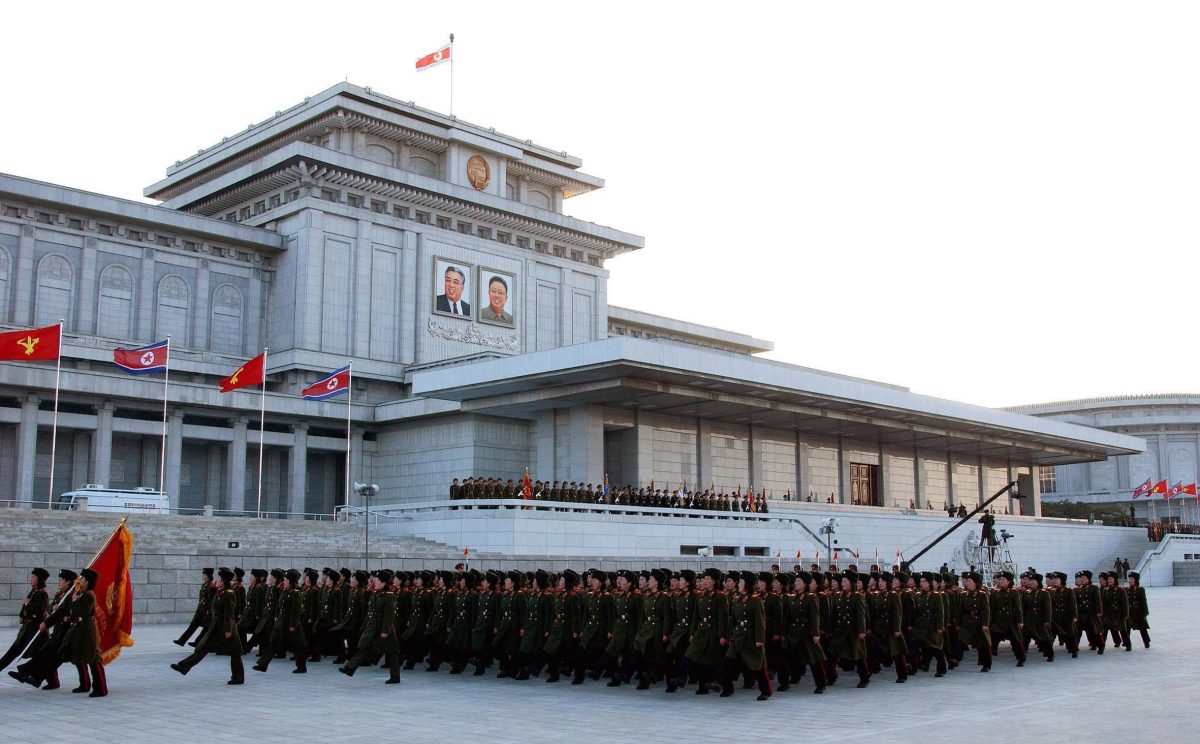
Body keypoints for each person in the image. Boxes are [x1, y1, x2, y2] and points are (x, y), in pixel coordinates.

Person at [170, 567, 244, 684]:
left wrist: (228, 630)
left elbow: (229, 614)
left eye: (220, 579)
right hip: (216, 627)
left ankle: (238, 678)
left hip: (227, 628)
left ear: (224, 581)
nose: (217, 581)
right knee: (203, 647)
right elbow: (210, 601)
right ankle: (184, 666)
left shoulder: (229, 595)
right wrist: (213, 589)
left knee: (235, 652)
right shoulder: (220, 592)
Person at [9, 569, 78, 690]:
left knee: (53, 657)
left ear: (68, 582)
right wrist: (54, 609)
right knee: (46, 655)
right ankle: (34, 677)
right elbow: (50, 608)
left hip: (66, 632)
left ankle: (29, 674)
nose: (59, 582)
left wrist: (46, 622)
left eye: (61, 580)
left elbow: (61, 612)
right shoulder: (61, 594)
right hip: (58, 631)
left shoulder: (70, 595)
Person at [339, 570, 401, 684]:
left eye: (378, 581)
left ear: (384, 583)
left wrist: (385, 630)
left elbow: (389, 615)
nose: (375, 582)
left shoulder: (389, 596)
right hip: (373, 627)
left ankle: (395, 677)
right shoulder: (375, 593)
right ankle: (350, 668)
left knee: (393, 652)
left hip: (384, 628)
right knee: (364, 647)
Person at [61, 568, 107, 697]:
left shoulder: (89, 595)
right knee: (79, 656)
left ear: (87, 582)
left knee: (93, 658)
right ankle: (84, 684)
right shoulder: (81, 593)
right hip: (79, 628)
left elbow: (83, 612)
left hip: (87, 629)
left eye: (82, 578)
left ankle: (100, 688)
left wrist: (74, 602)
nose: (79, 580)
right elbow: (73, 611)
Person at [0, 567, 50, 671]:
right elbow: (26, 608)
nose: (31, 579)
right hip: (27, 629)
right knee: (14, 650)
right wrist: (22, 616)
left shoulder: (42, 594)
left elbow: (39, 611)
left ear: (39, 579)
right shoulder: (34, 592)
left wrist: (28, 604)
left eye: (34, 577)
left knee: (39, 656)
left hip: (36, 630)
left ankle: (48, 678)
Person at [174, 568, 214, 647]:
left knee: (206, 628)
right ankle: (182, 641)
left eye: (205, 575)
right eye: (204, 575)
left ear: (209, 576)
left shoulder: (211, 586)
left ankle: (197, 642)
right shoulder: (204, 585)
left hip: (206, 611)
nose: (204, 577)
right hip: (200, 610)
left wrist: (208, 612)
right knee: (192, 626)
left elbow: (210, 600)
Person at [1126, 572, 1150, 648]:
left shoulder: (1140, 589)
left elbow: (1143, 601)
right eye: (1129, 579)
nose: (1130, 581)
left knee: (1142, 628)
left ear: (1136, 580)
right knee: (1127, 628)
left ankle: (1146, 642)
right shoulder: (1126, 589)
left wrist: (1145, 612)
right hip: (1130, 612)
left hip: (1138, 612)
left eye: (1132, 579)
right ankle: (1127, 644)